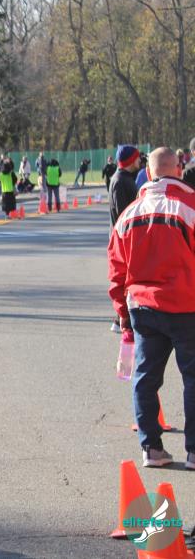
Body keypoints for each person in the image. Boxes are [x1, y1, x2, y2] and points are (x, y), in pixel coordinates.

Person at [108, 147, 195, 470]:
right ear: (179, 170)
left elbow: (116, 270)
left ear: (148, 172)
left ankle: (152, 448)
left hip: (143, 307)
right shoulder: (189, 207)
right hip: (186, 305)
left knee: (145, 378)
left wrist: (122, 312)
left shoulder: (129, 214)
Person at [110, 145, 141, 227]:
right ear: (131, 160)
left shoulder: (126, 177)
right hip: (123, 233)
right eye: (137, 157)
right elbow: (122, 214)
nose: (140, 160)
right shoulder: (119, 181)